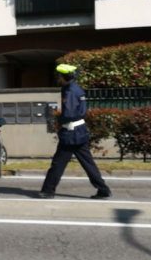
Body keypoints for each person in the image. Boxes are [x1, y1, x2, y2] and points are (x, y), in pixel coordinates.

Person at [38, 64, 112, 199]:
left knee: (58, 164)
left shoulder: (70, 91)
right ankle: (103, 189)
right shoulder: (75, 88)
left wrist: (58, 117)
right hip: (79, 132)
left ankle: (48, 190)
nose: (57, 78)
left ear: (63, 76)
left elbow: (70, 113)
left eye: (58, 76)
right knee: (88, 163)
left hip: (71, 134)